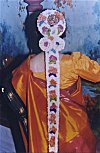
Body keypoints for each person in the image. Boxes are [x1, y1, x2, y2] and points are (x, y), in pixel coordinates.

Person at [2, 10, 100, 153]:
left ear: (37, 34)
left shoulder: (26, 66)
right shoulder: (74, 63)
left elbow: (18, 92)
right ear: (63, 31)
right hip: (74, 132)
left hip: (42, 133)